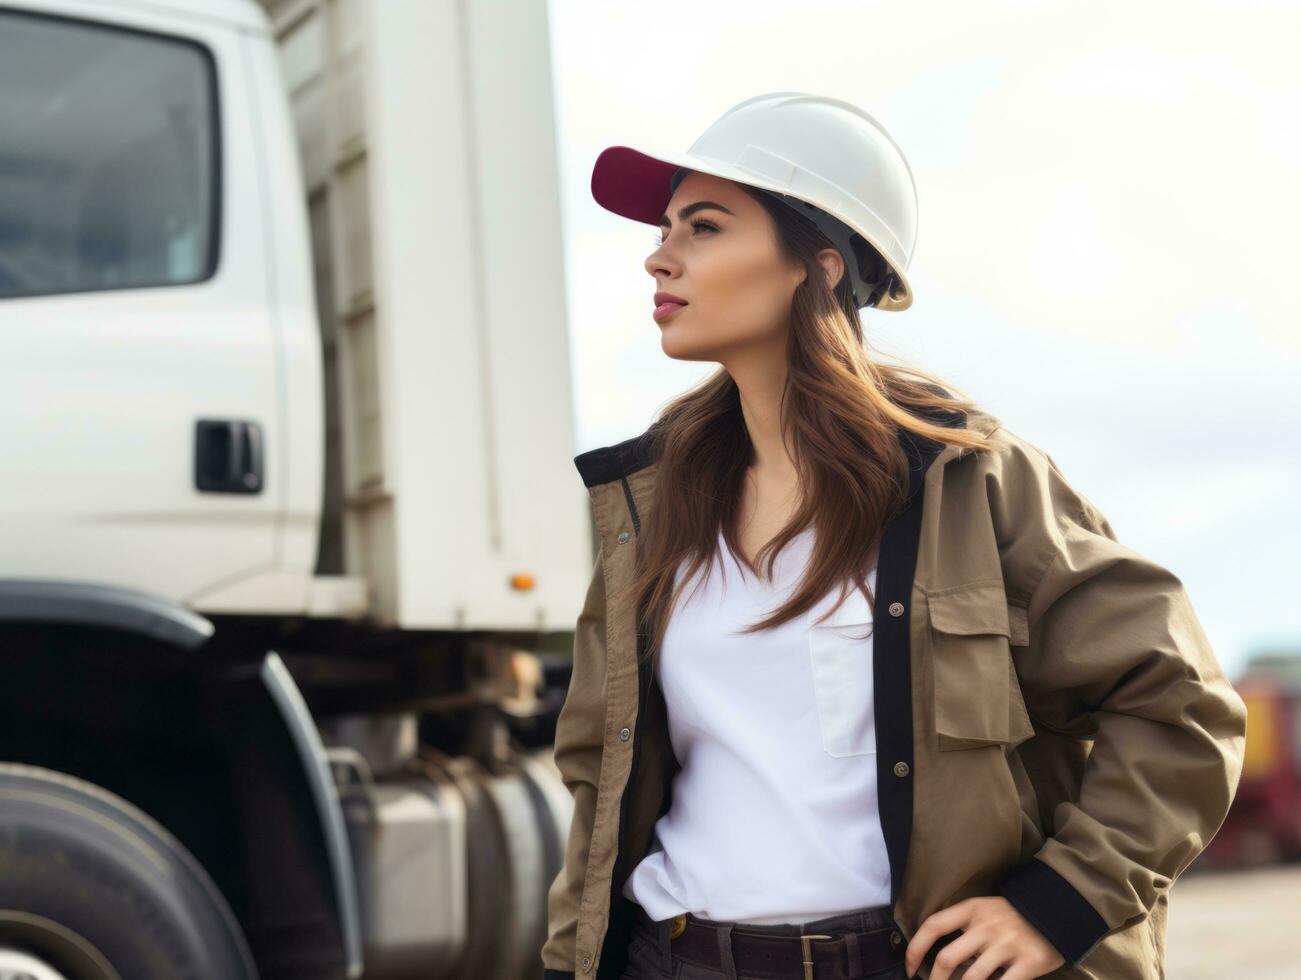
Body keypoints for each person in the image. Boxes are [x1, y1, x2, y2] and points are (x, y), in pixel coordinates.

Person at [540, 92, 1247, 980]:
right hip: (673, 959)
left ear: (820, 266)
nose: (658, 256)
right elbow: (595, 785)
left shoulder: (968, 480)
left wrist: (1060, 904)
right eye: (666, 229)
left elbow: (1178, 703)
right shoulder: (648, 509)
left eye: (704, 228)